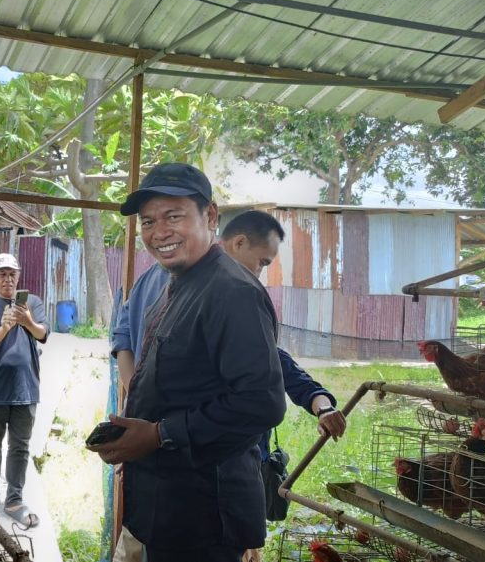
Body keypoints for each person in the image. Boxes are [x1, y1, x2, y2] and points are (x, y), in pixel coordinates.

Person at [109, 209, 348, 562]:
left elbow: (122, 339)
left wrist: (139, 402)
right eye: (262, 262)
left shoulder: (162, 278)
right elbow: (260, 384)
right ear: (236, 243)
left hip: (156, 472)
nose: (259, 273)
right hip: (204, 486)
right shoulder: (216, 287)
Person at [89, 163, 286, 562]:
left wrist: (159, 434)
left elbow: (261, 403)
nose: (158, 232)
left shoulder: (232, 292)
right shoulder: (177, 283)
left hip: (207, 517)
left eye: (173, 216)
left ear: (210, 216)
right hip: (169, 506)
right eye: (147, 222)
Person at [0, 253, 50, 528]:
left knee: (20, 448)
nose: (8, 278)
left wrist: (26, 321)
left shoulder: (33, 303)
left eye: (12, 273)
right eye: (2, 273)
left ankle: (14, 500)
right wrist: (4, 328)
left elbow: (42, 334)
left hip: (26, 388)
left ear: (19, 276)